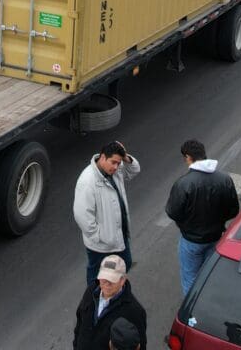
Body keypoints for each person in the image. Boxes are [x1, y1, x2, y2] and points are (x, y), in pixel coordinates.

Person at [165, 139, 240, 296]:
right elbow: (233, 210)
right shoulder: (224, 179)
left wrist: (186, 223)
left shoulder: (183, 183)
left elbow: (172, 211)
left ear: (187, 157)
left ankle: (191, 313)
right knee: (208, 276)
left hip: (191, 240)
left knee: (190, 278)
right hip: (215, 237)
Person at [74, 142, 141, 284]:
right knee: (97, 278)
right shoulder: (87, 181)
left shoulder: (115, 170)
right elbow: (82, 215)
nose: (116, 167)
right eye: (113, 163)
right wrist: (99, 237)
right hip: (102, 245)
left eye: (119, 163)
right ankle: (94, 301)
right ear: (103, 157)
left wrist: (126, 158)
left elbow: (134, 170)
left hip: (119, 235)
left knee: (125, 264)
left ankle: (112, 294)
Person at [73, 255, 148, 350]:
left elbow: (139, 346)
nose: (107, 283)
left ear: (122, 280)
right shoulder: (91, 291)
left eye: (112, 279)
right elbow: (79, 323)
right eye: (104, 278)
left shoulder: (134, 311)